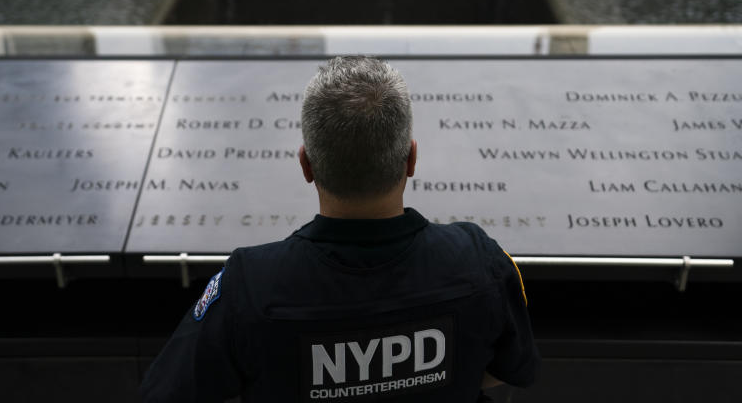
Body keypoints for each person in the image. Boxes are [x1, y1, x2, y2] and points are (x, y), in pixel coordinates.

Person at [141, 56, 539, 402]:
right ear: (411, 159)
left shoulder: (250, 284)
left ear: (306, 165)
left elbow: (167, 392)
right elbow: (512, 369)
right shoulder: (479, 261)